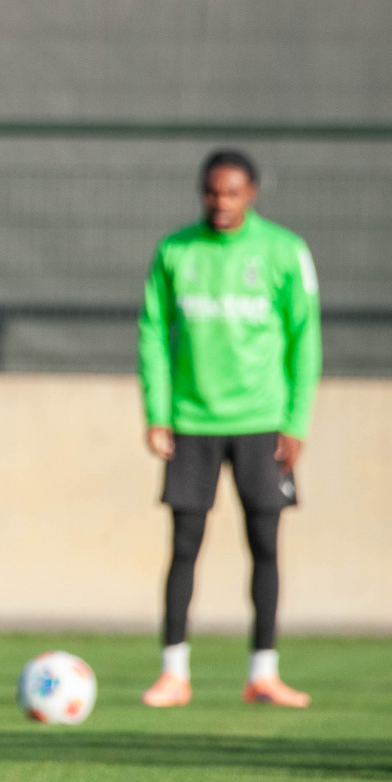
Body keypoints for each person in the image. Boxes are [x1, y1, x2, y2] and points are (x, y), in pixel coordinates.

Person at [135, 149, 320, 710]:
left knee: (264, 545)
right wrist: (157, 411)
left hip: (263, 423)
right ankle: (174, 673)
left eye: (232, 192)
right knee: (183, 546)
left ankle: (263, 673)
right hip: (192, 422)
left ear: (251, 194)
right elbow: (152, 332)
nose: (221, 202)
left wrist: (295, 420)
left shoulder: (284, 251)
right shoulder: (175, 251)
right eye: (212, 192)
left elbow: (305, 338)